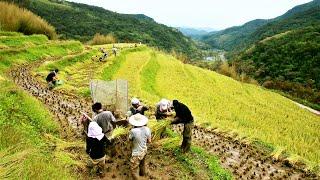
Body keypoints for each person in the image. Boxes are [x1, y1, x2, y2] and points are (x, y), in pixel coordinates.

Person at [128, 114, 151, 180]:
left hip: (136, 153)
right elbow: (149, 141)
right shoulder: (147, 129)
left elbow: (129, 140)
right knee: (142, 163)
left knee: (134, 169)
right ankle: (142, 174)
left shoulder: (133, 131)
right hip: (144, 150)